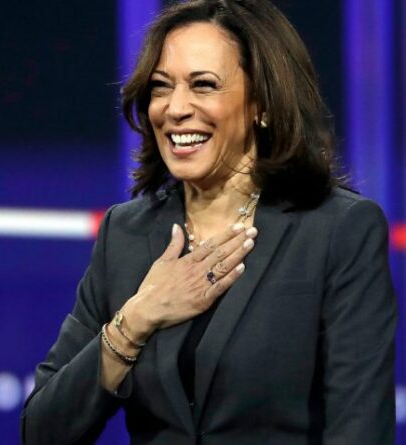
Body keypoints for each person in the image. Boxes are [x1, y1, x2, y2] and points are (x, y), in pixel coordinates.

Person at [20, 1, 397, 444]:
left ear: (263, 105)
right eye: (161, 87)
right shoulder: (125, 233)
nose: (175, 108)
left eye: (203, 85)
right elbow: (43, 432)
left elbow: (359, 428)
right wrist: (137, 318)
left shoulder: (338, 231)